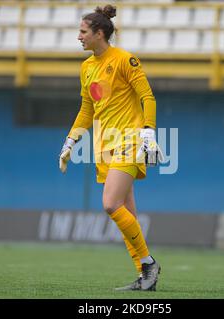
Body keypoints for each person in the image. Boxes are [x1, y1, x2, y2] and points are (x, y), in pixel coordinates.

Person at [59, 4, 163, 291]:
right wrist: (70, 141)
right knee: (126, 210)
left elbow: (148, 97)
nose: (78, 37)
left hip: (129, 141)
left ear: (99, 33)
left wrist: (148, 133)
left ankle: (150, 265)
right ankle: (145, 273)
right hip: (103, 146)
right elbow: (86, 110)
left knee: (110, 204)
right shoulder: (87, 67)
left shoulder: (125, 60)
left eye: (83, 32)